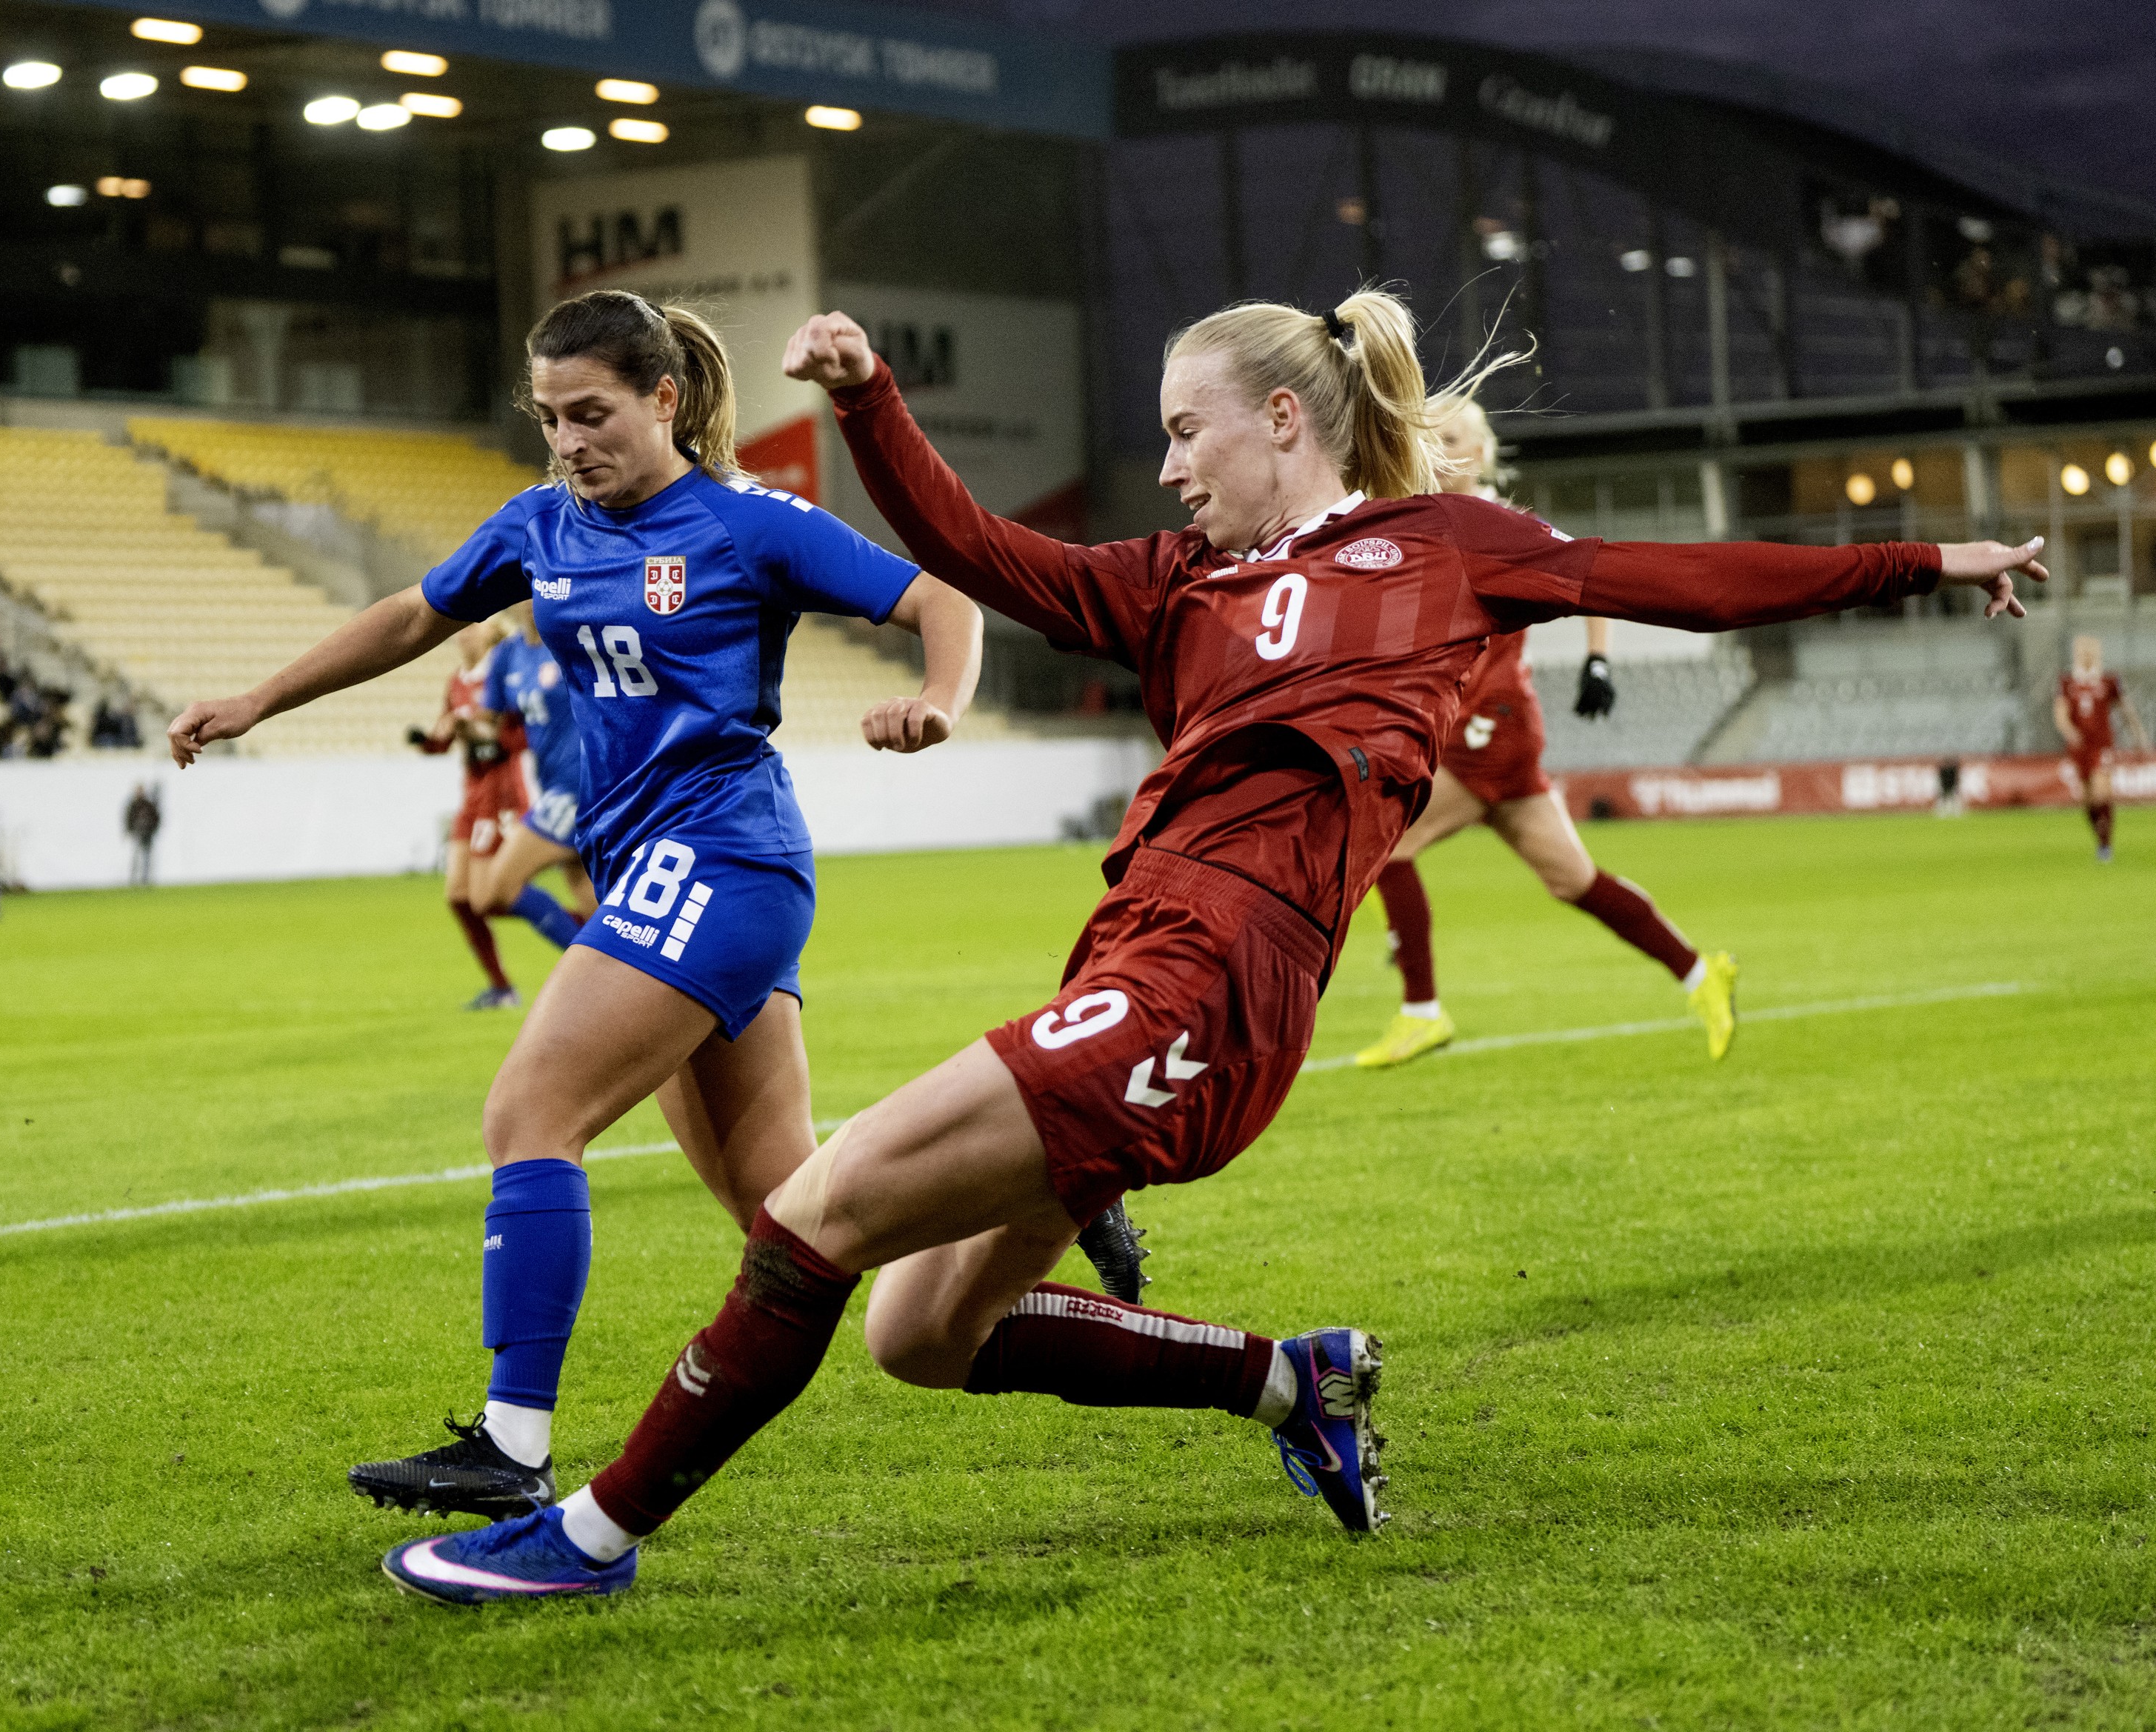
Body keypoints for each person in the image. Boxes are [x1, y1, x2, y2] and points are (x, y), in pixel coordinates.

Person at [372, 293, 2043, 1605]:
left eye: (1184, 431)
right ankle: (1288, 1382)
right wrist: (870, 399)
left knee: (808, 1213)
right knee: (915, 1334)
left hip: (1213, 985)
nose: (1166, 465)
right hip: (1133, 958)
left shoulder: (1450, 551)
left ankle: (581, 1529)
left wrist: (1929, 555)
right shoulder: (1180, 583)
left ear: (1280, 419)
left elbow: (1687, 576)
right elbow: (978, 556)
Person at [164, 287, 1002, 1530]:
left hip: (723, 857)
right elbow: (413, 613)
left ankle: (511, 1442)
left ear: (664, 400)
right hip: (656, 875)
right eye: (550, 418)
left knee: (530, 1106)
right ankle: (1032, 1197)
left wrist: (935, 700)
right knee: (786, 1207)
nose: (568, 443)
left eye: (593, 414)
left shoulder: (742, 523)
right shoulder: (540, 525)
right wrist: (256, 700)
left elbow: (944, 599)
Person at [1354, 399, 1735, 1070]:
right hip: (1478, 728)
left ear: (1480, 453)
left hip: (1491, 725)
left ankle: (1421, 1011)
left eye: (1453, 438)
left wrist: (1597, 660)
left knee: (1390, 845)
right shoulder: (1420, 525)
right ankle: (1701, 975)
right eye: (1432, 439)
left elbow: (1589, 575)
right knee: (1574, 879)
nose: (1441, 449)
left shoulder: (1503, 526)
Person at [412, 620, 536, 1010]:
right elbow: (444, 740)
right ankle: (501, 987)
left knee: (491, 898)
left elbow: (513, 737)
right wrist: (429, 740)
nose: (464, 633)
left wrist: (478, 727)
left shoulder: (501, 672)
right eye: (460, 628)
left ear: (488, 634)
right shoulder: (456, 682)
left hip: (502, 796)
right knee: (459, 898)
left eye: (473, 627)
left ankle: (583, 933)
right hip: (472, 797)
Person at [470, 602, 597, 950]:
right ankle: (626, 986)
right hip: (550, 782)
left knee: (500, 887)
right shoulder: (508, 655)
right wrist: (465, 726)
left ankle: (581, 975)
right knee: (593, 905)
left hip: (581, 786)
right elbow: (491, 724)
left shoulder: (572, 643)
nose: (527, 600)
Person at [2055, 634, 2146, 862]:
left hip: (2102, 745)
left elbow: (2126, 709)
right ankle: (2101, 835)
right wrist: (2069, 731)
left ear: (2098, 653)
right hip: (2079, 748)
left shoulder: (2109, 681)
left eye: (2090, 650)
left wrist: (2138, 734)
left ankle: (2106, 847)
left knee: (2101, 792)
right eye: (2082, 650)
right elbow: (2060, 712)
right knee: (2087, 801)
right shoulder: (2067, 682)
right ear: (2076, 654)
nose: (2086, 654)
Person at [124, 783, 161, 887]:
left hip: (147, 834)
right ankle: (133, 880)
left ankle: (145, 880)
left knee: (147, 858)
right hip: (137, 833)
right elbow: (129, 818)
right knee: (136, 858)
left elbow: (155, 817)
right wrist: (130, 830)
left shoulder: (148, 804)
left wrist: (153, 829)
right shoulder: (134, 805)